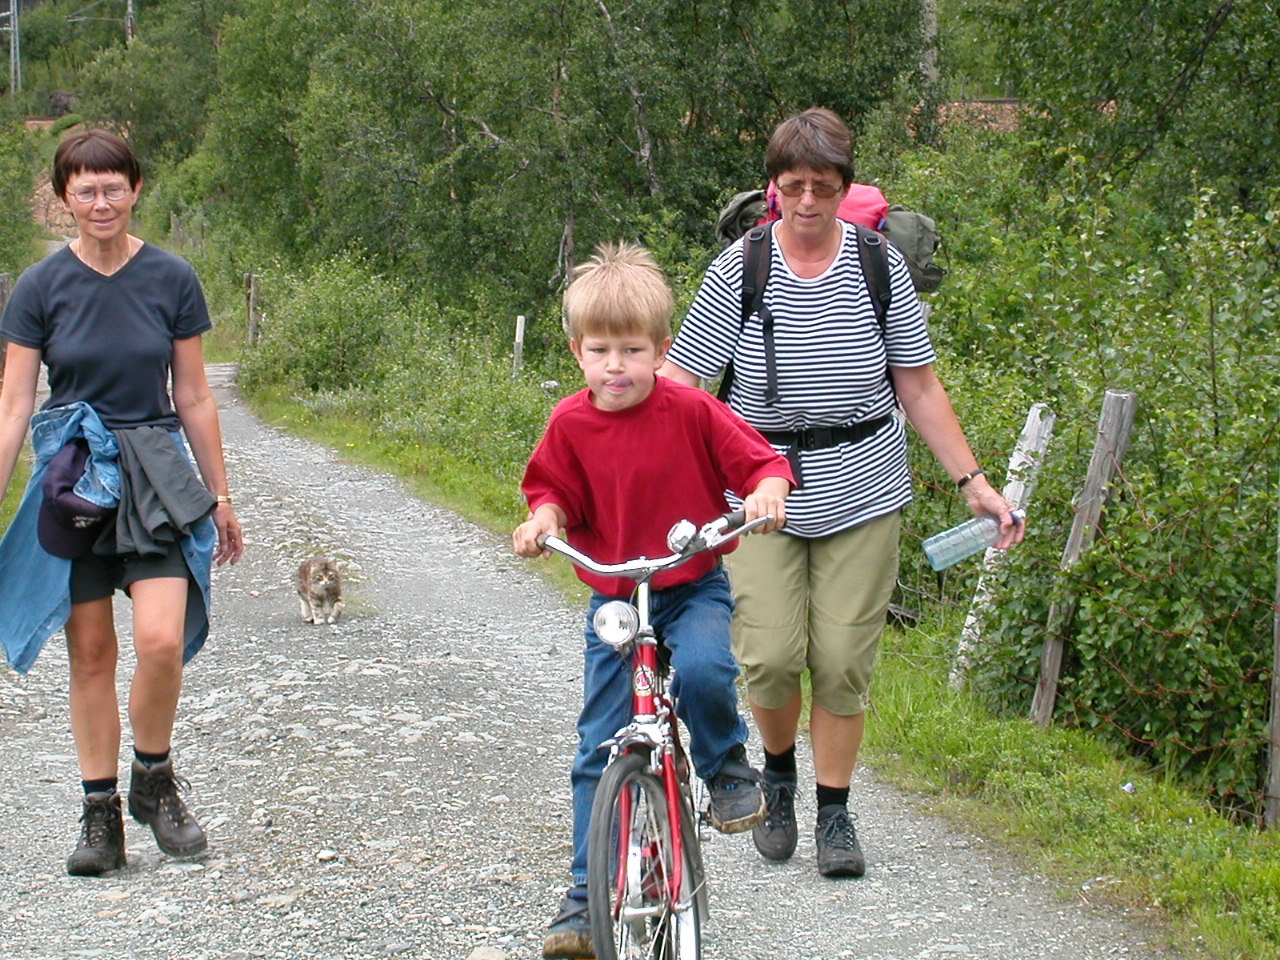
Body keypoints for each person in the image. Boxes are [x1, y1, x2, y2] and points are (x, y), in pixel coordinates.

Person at [659, 107, 1023, 879]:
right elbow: (684, 380)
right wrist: (623, 455)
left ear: (843, 187)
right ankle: (779, 776)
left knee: (842, 662)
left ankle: (834, 810)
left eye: (823, 187)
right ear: (773, 188)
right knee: (768, 656)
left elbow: (917, 386)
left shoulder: (879, 266)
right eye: (793, 186)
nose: (808, 201)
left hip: (863, 489)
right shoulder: (740, 270)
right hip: (758, 492)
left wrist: (974, 482)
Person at [513, 242, 793, 958]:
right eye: (600, 351)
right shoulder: (570, 423)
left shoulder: (692, 409)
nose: (616, 366)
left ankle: (725, 767)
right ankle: (584, 898)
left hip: (689, 584)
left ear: (662, 350)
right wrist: (543, 522)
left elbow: (762, 463)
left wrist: (767, 492)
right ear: (577, 352)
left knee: (704, 668)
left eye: (633, 351)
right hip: (616, 601)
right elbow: (551, 492)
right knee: (595, 745)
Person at [0, 128, 244, 877]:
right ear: (64, 198)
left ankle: (154, 778)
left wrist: (221, 495)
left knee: (162, 642)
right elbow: (14, 404)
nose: (101, 201)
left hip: (157, 478)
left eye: (113, 187)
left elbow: (194, 395)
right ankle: (100, 811)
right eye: (85, 189)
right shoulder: (40, 287)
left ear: (136, 190)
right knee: (91, 653)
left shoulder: (172, 277)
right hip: (75, 481)